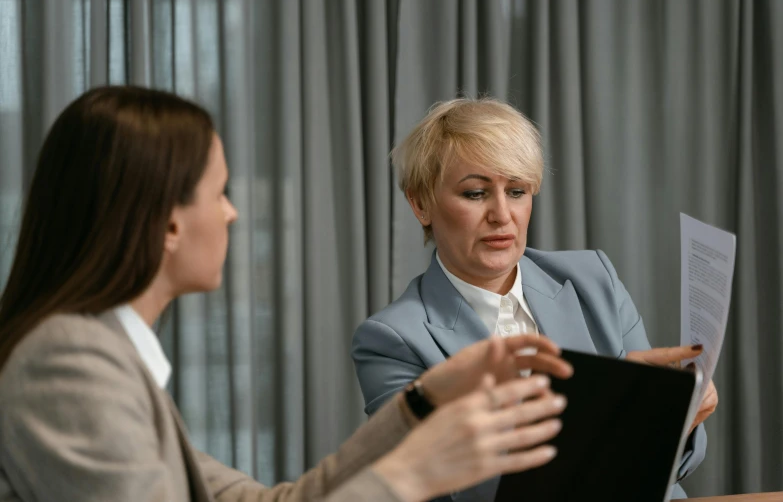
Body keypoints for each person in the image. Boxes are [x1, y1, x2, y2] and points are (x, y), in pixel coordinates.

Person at [0, 87, 576, 502]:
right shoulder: (68, 364)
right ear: (167, 224)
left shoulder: (106, 362)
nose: (232, 213)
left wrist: (421, 403)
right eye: (219, 192)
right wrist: (413, 475)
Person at [352, 97, 719, 500]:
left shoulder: (593, 278)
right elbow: (454, 490)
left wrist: (678, 417)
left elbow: (675, 469)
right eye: (475, 193)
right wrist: (617, 419)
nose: (501, 214)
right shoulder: (391, 340)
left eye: (516, 190)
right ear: (421, 204)